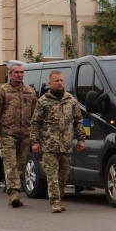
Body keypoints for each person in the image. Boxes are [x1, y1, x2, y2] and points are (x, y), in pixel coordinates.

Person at [30, 71, 86, 213]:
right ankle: (54, 201)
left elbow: (78, 120)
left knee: (63, 175)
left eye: (61, 80)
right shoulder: (43, 101)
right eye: (56, 81)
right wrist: (35, 142)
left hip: (66, 145)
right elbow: (36, 122)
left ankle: (59, 197)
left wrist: (81, 139)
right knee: (52, 174)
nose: (60, 83)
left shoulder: (71, 100)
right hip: (50, 145)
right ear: (50, 83)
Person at [0, 61, 38, 207]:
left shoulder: (30, 91)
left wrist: (36, 135)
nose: (19, 75)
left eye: (21, 72)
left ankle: (18, 187)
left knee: (21, 165)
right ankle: (14, 193)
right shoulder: (1, 91)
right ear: (10, 74)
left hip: (25, 135)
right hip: (7, 134)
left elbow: (36, 115)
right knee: (10, 164)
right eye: (16, 72)